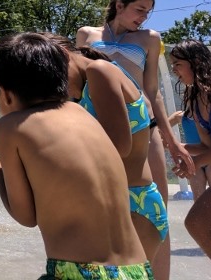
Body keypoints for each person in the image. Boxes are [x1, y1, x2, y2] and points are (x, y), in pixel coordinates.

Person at [0, 32, 151, 279]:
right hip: (138, 269)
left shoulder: (10, 127)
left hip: (79, 271)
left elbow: (26, 216)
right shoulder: (84, 116)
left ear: (5, 93)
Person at [77, 0, 193, 280]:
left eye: (148, 12)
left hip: (143, 129)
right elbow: (76, 88)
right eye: (139, 10)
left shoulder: (150, 39)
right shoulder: (86, 35)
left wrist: (174, 142)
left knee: (156, 213)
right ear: (119, 5)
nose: (144, 17)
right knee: (96, 207)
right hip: (95, 131)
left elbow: (153, 92)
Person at [53, 35, 166, 266]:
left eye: (54, 78)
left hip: (131, 201)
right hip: (129, 201)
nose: (58, 89)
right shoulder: (95, 81)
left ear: (64, 56)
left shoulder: (99, 71)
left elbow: (119, 147)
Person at [170, 39, 211, 276]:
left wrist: (193, 162)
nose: (174, 70)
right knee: (196, 223)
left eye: (177, 64)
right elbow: (209, 147)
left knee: (197, 223)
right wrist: (179, 147)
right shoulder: (196, 99)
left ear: (195, 63)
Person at [168, 110, 211, 213]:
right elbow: (166, 124)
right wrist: (162, 137)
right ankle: (202, 226)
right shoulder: (182, 116)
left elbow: (210, 147)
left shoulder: (206, 115)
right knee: (199, 202)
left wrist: (176, 146)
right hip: (193, 161)